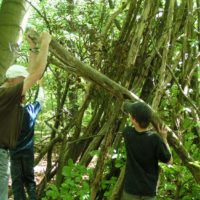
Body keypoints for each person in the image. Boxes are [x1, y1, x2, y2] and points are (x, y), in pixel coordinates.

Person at [0, 31, 51, 200]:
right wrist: (45, 44)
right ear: (14, 80)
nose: (26, 85)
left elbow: (30, 74)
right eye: (22, 80)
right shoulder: (7, 95)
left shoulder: (6, 93)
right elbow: (35, 75)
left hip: (6, 153)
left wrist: (33, 48)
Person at [122, 101, 173, 200]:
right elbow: (169, 161)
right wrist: (164, 139)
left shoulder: (127, 133)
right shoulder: (155, 139)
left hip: (131, 189)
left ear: (134, 119)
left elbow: (133, 127)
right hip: (148, 191)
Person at [10, 80, 45, 200]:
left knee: (17, 184)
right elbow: (40, 100)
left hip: (14, 153)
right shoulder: (30, 110)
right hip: (28, 153)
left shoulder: (8, 114)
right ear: (23, 99)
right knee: (30, 181)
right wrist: (41, 85)